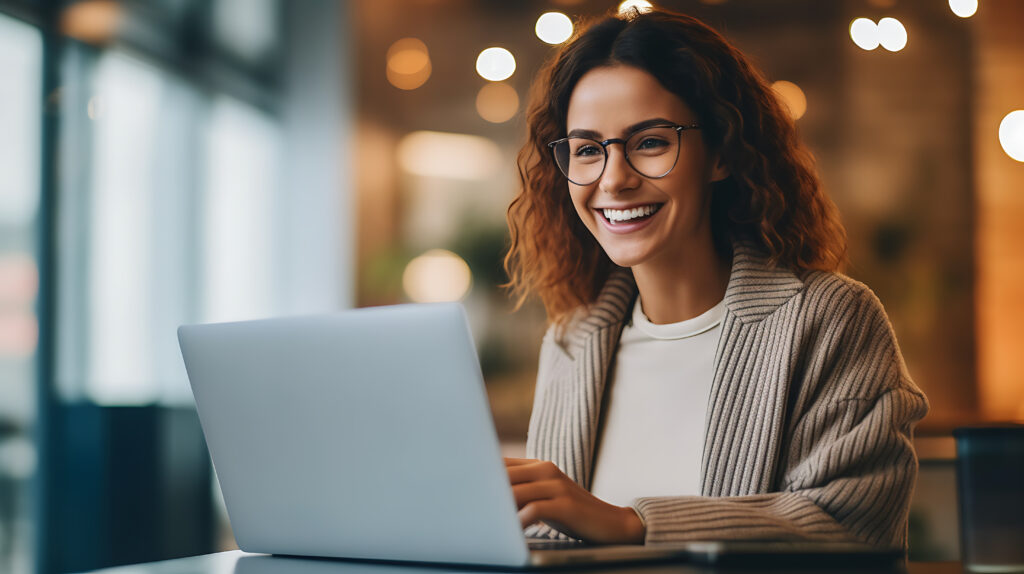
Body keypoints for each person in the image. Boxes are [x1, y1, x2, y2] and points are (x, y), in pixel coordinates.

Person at [501, 8, 929, 548]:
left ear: (722, 152)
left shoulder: (830, 319)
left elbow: (852, 523)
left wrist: (630, 524)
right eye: (587, 149)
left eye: (651, 141)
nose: (613, 179)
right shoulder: (571, 343)